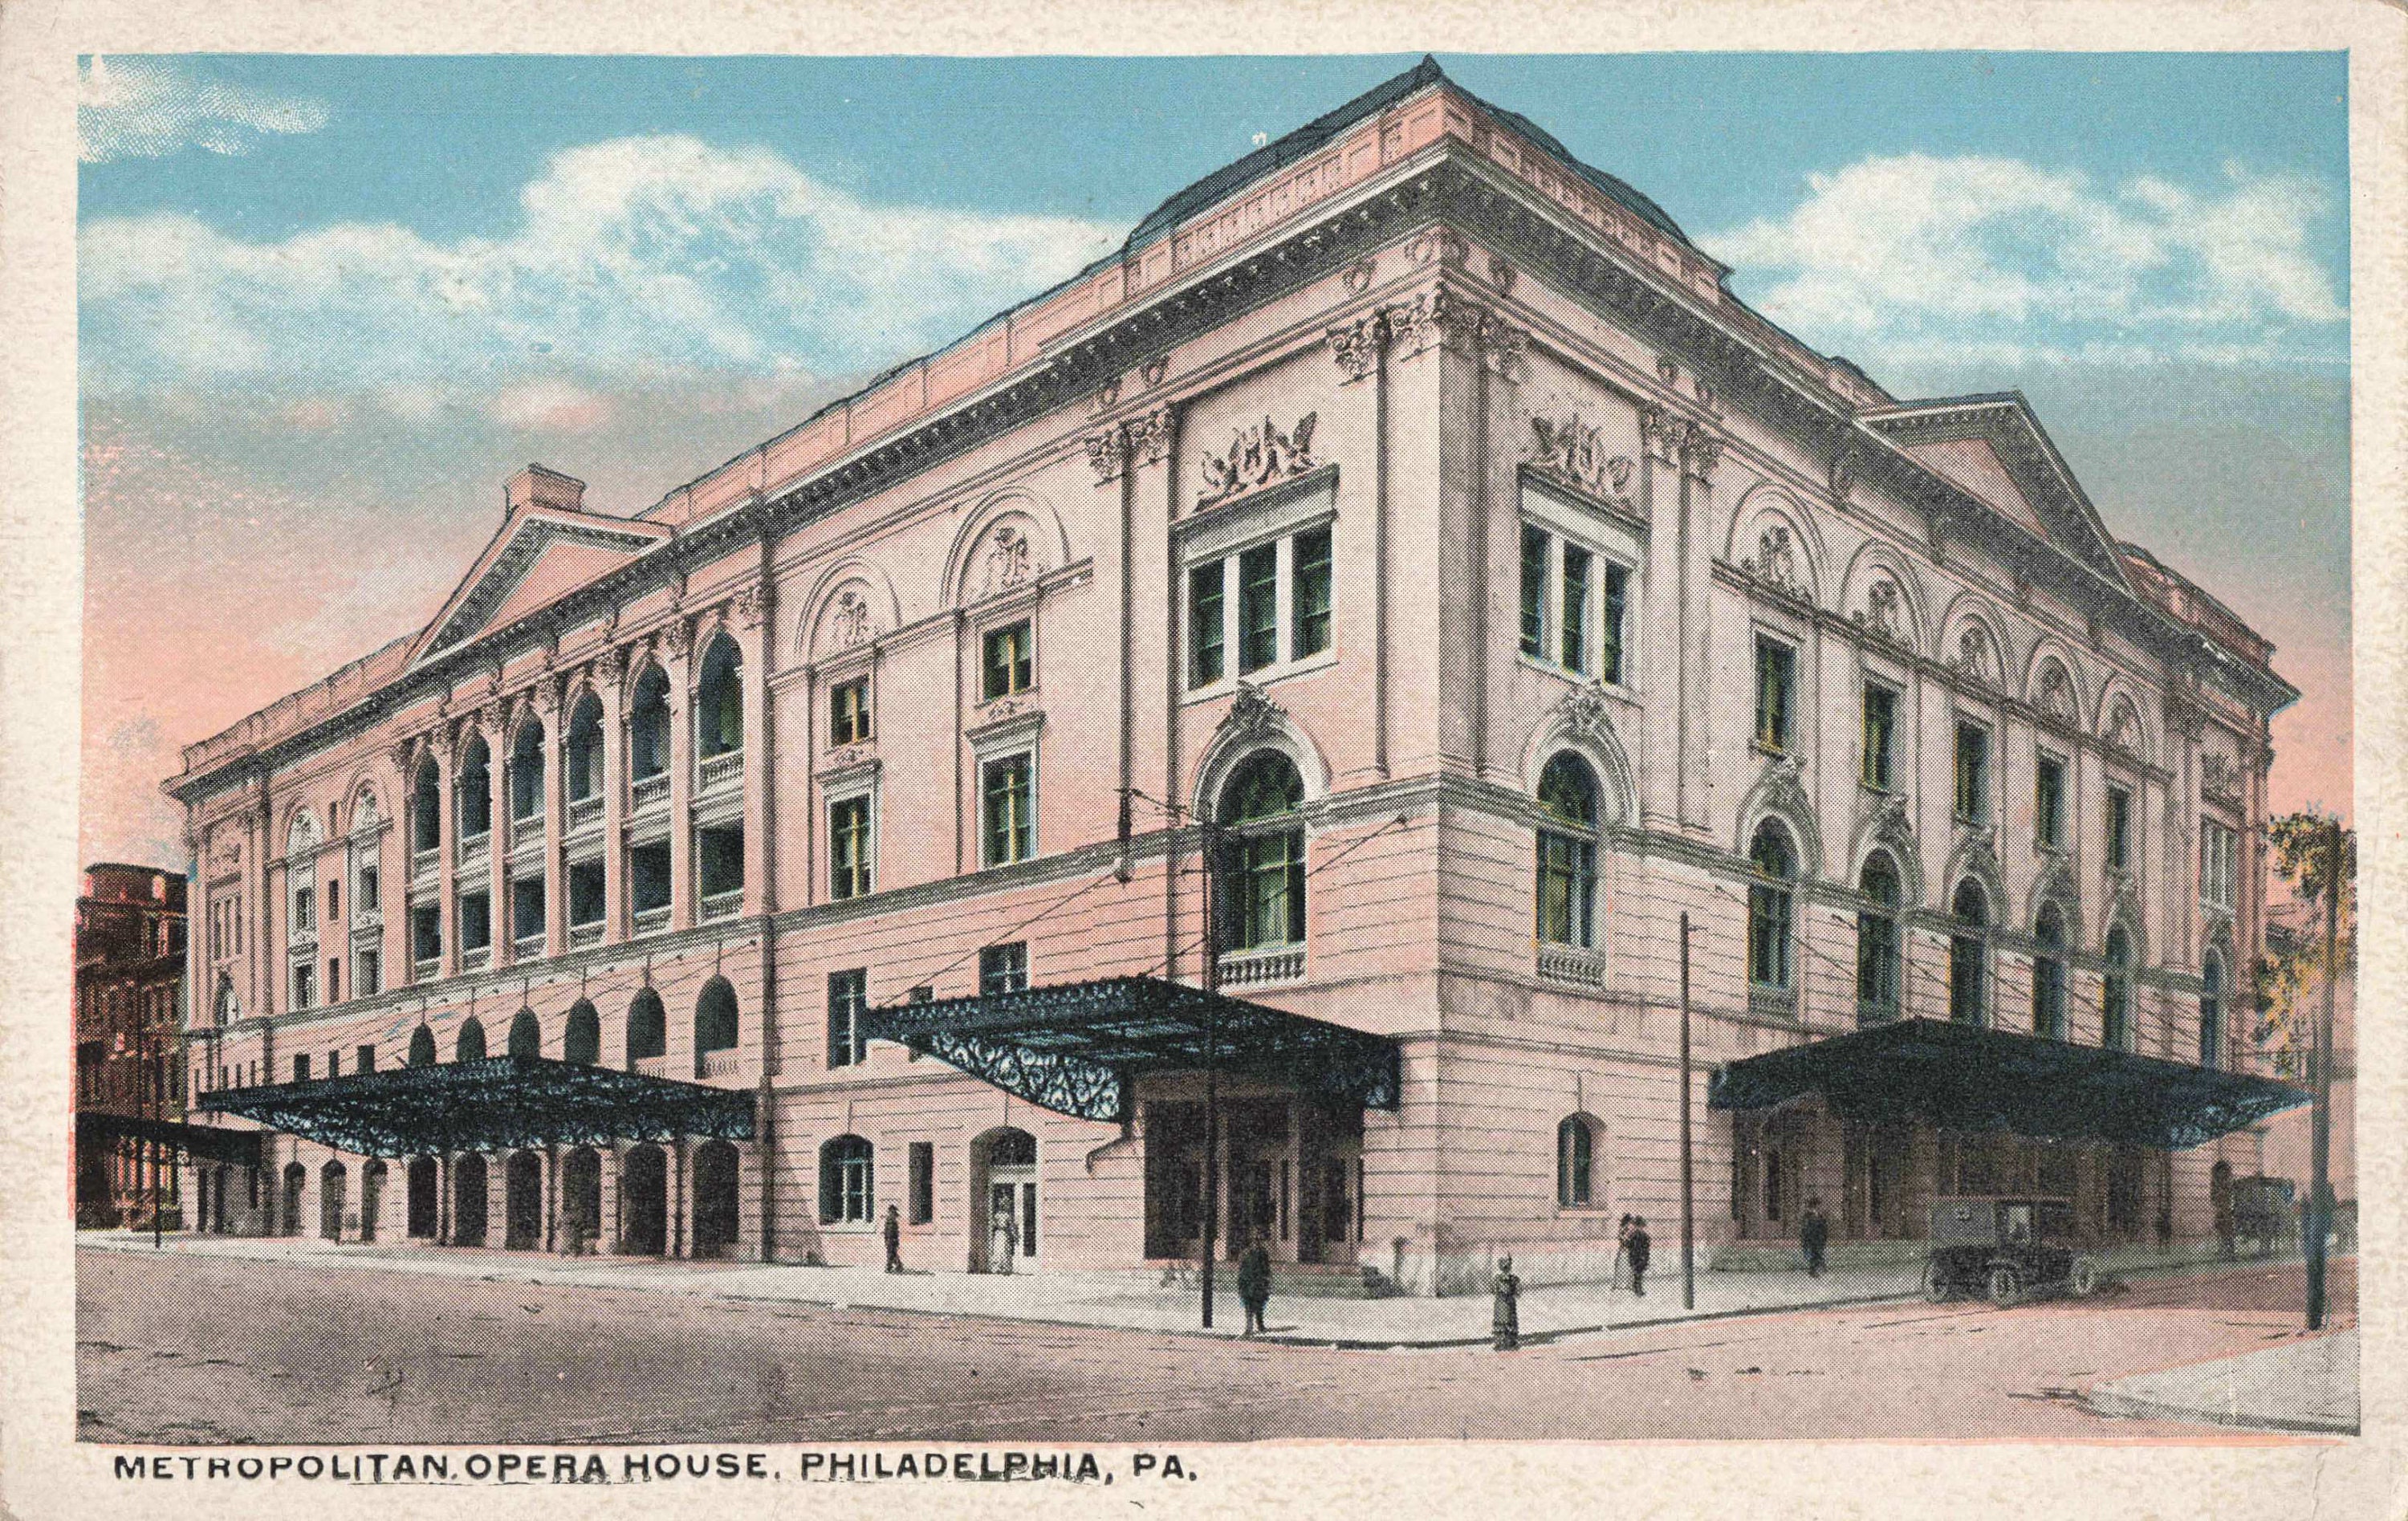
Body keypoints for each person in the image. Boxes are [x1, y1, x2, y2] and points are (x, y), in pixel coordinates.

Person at [1237, 1237, 1273, 1336]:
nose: (1256, 1245)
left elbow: (1266, 1268)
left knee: (1257, 1305)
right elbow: (1241, 1269)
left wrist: (1268, 1282)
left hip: (1255, 1283)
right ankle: (1253, 1327)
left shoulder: (1261, 1254)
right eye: (1255, 1243)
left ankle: (1256, 1326)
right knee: (1252, 1306)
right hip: (1251, 1283)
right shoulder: (1248, 1254)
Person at [1491, 1254, 1521, 1351]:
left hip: (1504, 1303)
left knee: (1506, 1322)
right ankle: (1504, 1342)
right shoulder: (1500, 1279)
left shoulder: (1511, 1279)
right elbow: (1518, 1293)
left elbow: (1518, 1293)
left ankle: (1506, 1342)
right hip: (1503, 1304)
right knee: (1504, 1322)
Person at [1800, 1197, 1829, 1279]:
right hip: (1812, 1238)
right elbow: (1806, 1228)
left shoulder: (1820, 1215)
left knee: (1818, 1253)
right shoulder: (1809, 1216)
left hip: (1819, 1238)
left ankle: (1818, 1267)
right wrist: (1807, 1238)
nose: (1821, 1207)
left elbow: (1824, 1226)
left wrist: (1824, 1236)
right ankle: (1815, 1269)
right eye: (1819, 1205)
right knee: (1815, 1253)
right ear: (1815, 1206)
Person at [1627, 1217, 1652, 1298]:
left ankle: (1636, 1288)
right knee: (1638, 1274)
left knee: (1637, 1274)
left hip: (1637, 1257)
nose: (1642, 1227)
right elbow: (1642, 1246)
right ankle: (1638, 1289)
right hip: (1639, 1257)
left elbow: (1629, 1246)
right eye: (1641, 1226)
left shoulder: (1633, 1235)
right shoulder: (1638, 1235)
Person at [1612, 1214, 1634, 1290]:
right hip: (1624, 1251)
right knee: (1622, 1267)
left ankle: (1627, 1284)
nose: (1630, 1223)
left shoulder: (1627, 1229)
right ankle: (1620, 1284)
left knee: (1627, 1268)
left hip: (1626, 1250)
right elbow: (1622, 1238)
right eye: (1630, 1221)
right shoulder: (1624, 1229)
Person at [883, 1204, 904, 1273]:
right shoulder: (891, 1220)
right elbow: (888, 1231)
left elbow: (890, 1232)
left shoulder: (890, 1220)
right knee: (893, 1253)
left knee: (891, 1253)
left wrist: (888, 1239)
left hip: (891, 1239)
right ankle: (898, 1266)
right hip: (891, 1239)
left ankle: (890, 1267)